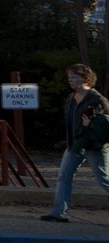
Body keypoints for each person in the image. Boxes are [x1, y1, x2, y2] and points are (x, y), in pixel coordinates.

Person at [44, 63, 109, 222]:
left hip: (94, 146)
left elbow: (106, 125)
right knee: (64, 177)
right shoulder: (71, 98)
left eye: (74, 77)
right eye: (69, 77)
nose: (70, 80)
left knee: (104, 180)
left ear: (85, 79)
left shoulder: (97, 99)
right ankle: (59, 213)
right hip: (75, 144)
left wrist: (91, 124)